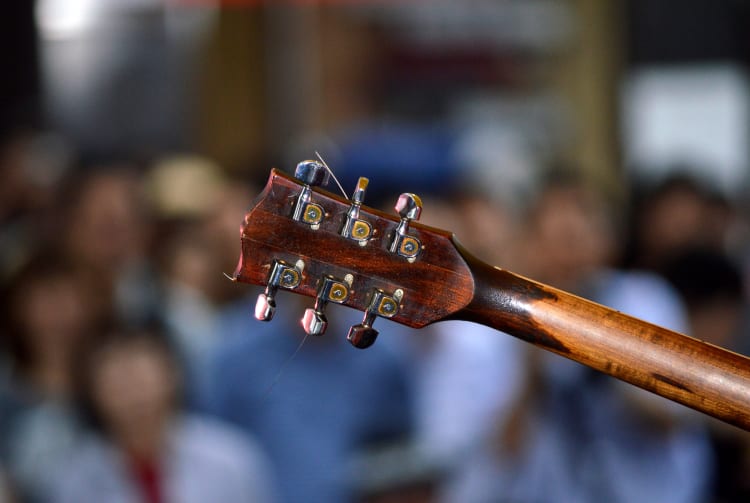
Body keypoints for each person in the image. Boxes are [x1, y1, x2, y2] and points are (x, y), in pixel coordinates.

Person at [53, 327, 274, 503]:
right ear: (92, 392)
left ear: (172, 377)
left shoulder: (230, 458)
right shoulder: (74, 479)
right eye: (118, 383)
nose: (134, 394)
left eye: (143, 378)